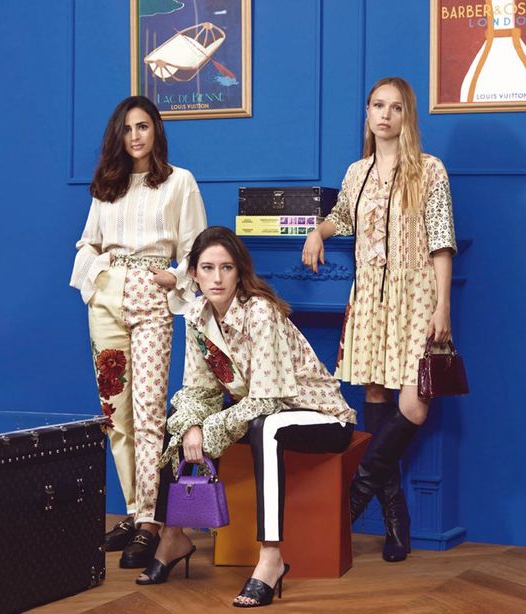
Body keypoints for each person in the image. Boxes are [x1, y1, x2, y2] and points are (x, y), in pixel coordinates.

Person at [139, 227, 356, 608]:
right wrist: (192, 426)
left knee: (265, 426)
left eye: (226, 267)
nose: (217, 278)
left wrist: (209, 429)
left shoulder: (260, 312)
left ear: (239, 272)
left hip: (320, 415)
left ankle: (271, 558)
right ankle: (172, 537)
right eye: (208, 268)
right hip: (260, 412)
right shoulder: (197, 316)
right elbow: (199, 391)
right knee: (179, 416)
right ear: (194, 273)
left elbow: (268, 400)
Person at [301, 76, 457, 563]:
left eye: (395, 107)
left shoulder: (430, 170)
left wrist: (443, 305)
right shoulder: (357, 172)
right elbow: (344, 216)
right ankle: (395, 522)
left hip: (417, 297)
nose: (384, 114)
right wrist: (318, 231)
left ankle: (351, 500)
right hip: (370, 297)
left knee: (414, 406)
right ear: (368, 113)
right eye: (377, 105)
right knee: (374, 396)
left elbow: (441, 240)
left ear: (407, 115)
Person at [70, 95, 207, 568]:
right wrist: (95, 277)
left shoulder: (179, 182)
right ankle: (133, 510)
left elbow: (197, 247)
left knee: (149, 413)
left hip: (152, 299)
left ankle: (151, 520)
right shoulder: (106, 186)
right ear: (118, 135)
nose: (135, 136)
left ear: (156, 131)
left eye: (143, 126)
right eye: (127, 128)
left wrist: (176, 276)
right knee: (116, 417)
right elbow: (89, 240)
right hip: (107, 298)